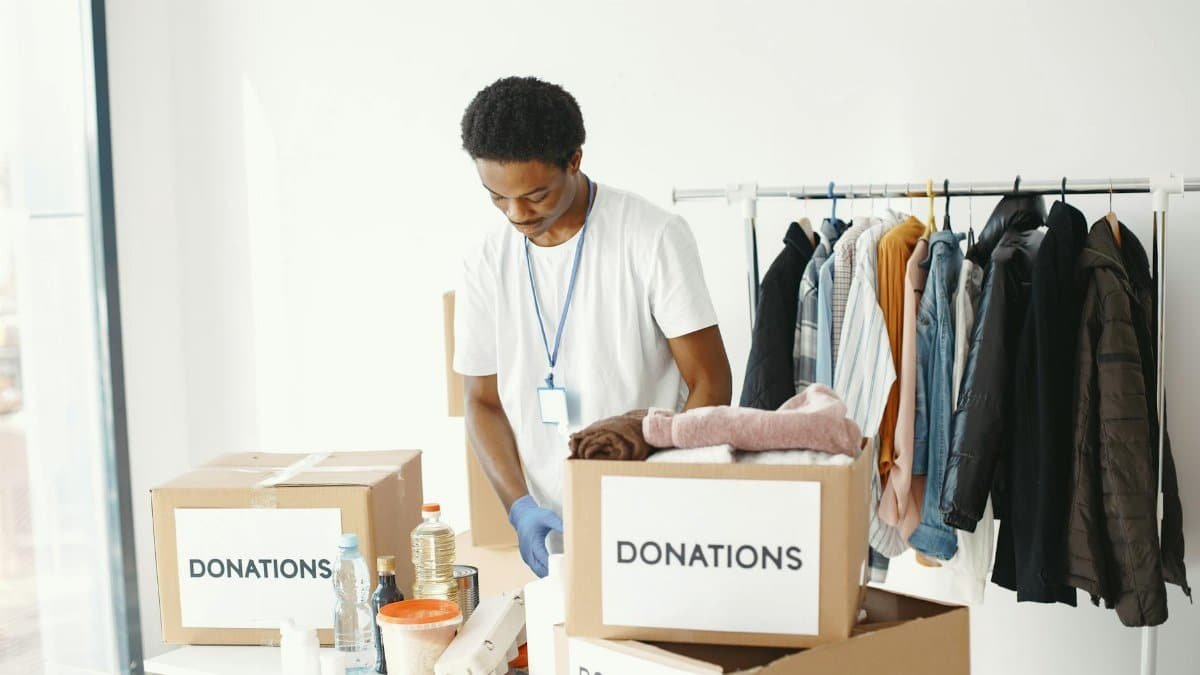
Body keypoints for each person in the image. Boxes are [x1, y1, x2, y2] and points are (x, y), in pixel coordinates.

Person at [453, 76, 732, 577]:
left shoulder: (653, 237)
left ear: (574, 160)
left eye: (535, 195)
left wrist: (665, 485)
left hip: (654, 516)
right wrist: (519, 509)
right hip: (553, 529)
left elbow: (710, 382)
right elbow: (481, 400)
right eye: (497, 198)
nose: (517, 214)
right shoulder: (484, 263)